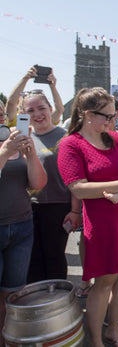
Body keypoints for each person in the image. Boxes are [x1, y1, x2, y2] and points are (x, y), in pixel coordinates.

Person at [58, 87, 118, 347]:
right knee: (105, 279)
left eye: (113, 115)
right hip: (104, 221)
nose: (113, 121)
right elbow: (77, 188)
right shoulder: (71, 144)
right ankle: (96, 340)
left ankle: (114, 330)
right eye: (108, 116)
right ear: (88, 114)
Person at [19, 91, 82, 284]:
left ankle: (57, 302)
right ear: (23, 114)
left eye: (41, 108)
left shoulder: (65, 138)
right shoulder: (22, 138)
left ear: (51, 109)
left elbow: (76, 178)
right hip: (29, 207)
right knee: (33, 259)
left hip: (58, 206)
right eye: (30, 110)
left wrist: (75, 210)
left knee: (54, 257)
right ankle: (37, 305)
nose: (37, 114)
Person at [0, 127, 47, 347]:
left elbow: (37, 184)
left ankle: (9, 338)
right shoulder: (8, 146)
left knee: (13, 292)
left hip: (21, 226)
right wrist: (4, 152)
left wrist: (31, 156)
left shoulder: (16, 144)